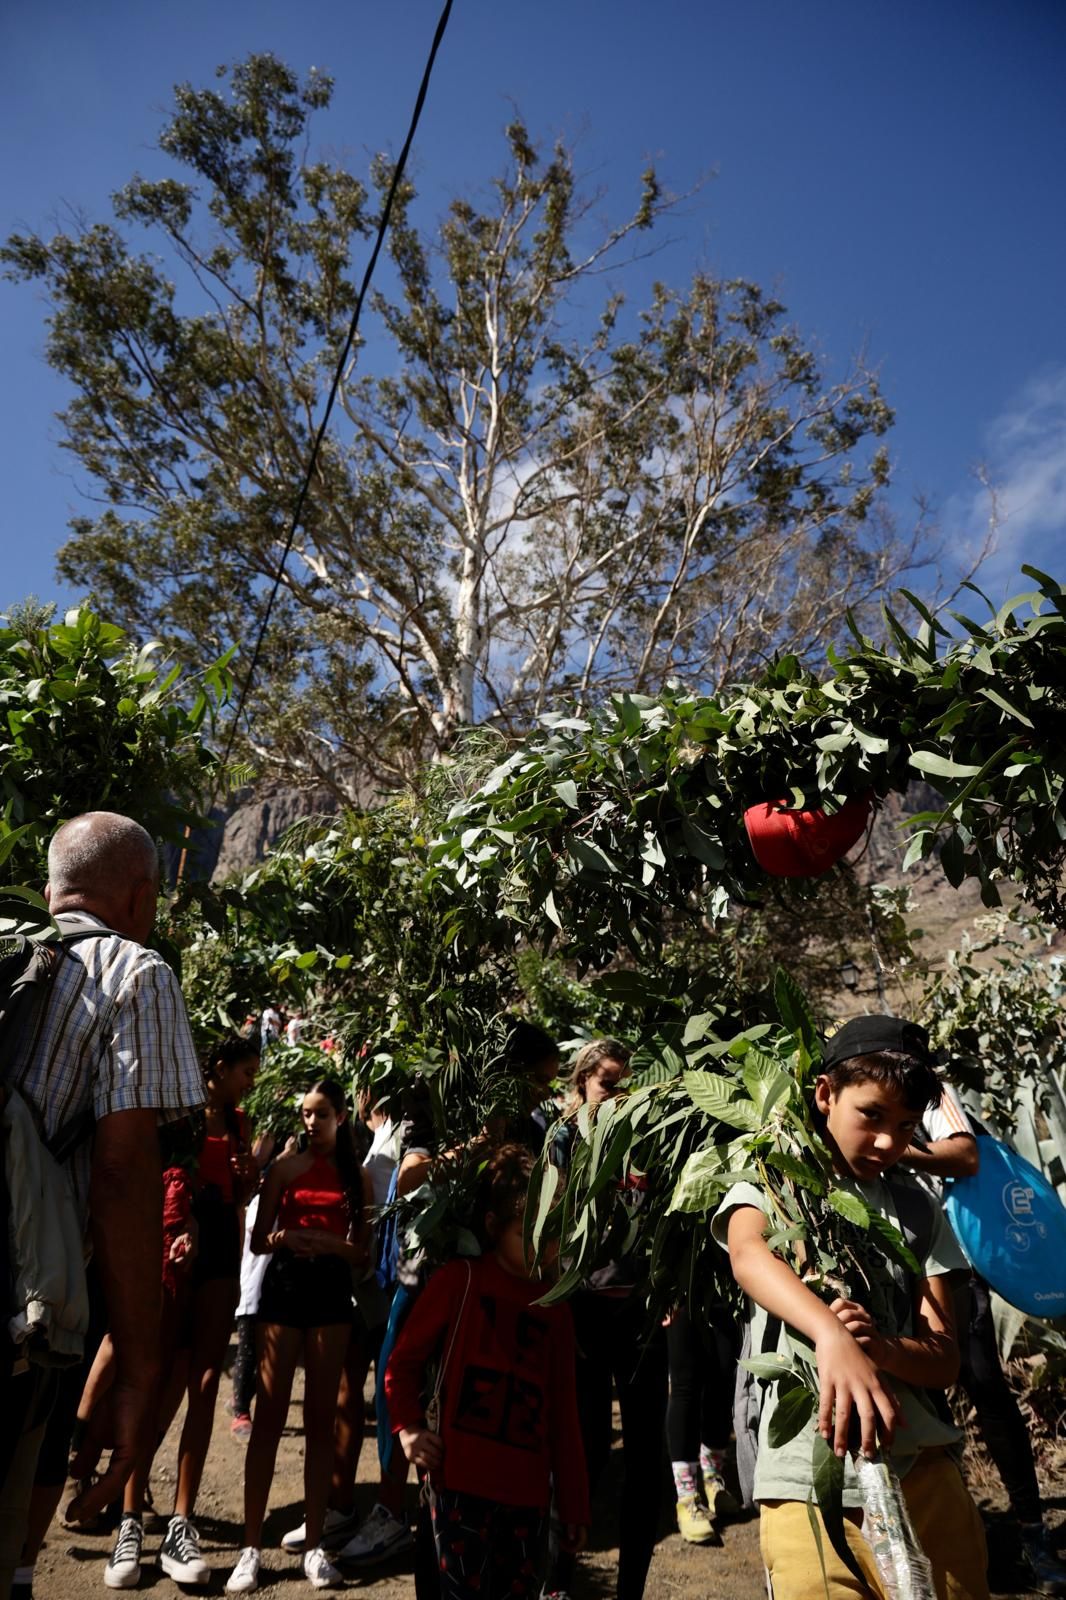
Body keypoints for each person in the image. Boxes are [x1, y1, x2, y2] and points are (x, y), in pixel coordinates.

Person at [714, 1014, 989, 1600]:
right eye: (872, 1115)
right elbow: (748, 1252)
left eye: (908, 1125)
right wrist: (831, 1336)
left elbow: (943, 1360)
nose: (891, 1142)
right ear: (825, 1093)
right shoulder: (778, 1176)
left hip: (923, 1472)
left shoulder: (917, 1209)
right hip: (806, 1485)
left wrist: (882, 1349)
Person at [0, 813, 204, 1600]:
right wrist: (139, 1362)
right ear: (141, 894)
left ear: (51, 887)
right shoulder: (133, 971)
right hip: (22, 1309)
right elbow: (123, 1174)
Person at [385, 1144, 589, 1600]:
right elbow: (403, 1362)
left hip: (527, 1497)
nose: (542, 1247)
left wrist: (573, 1503)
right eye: (527, 1233)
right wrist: (409, 1428)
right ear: (493, 1227)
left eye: (551, 1233)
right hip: (458, 1487)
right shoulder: (461, 1281)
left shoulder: (556, 1307)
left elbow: (563, 1413)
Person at [900, 1081, 1066, 1596]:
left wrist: (889, 1145)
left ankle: (1031, 1537)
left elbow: (965, 1153)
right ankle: (950, 1533)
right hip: (892, 1264)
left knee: (987, 1392)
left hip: (952, 1265)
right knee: (919, 1402)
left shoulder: (923, 1085)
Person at [105, 1038, 259, 1588]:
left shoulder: (239, 1123)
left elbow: (240, 1196)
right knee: (153, 1377)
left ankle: (181, 1521)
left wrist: (248, 1178)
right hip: (174, 1245)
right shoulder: (179, 1115)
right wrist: (177, 1225)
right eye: (246, 1071)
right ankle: (129, 1519)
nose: (251, 1081)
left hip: (218, 1246)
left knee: (207, 1380)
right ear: (216, 1070)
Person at [226, 1080, 373, 1595]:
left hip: (331, 1293)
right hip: (285, 1288)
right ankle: (250, 1548)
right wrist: (285, 1237)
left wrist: (333, 1243)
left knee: (319, 1422)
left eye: (323, 1113)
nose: (312, 1122)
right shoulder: (284, 1169)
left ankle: (314, 1545)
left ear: (339, 1118)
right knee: (268, 1418)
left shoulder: (356, 1178)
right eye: (307, 1114)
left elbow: (365, 1254)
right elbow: (259, 1240)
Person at [544, 1039, 667, 1600]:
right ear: (583, 1082)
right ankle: (557, 1580)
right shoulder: (564, 1141)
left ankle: (631, 1591)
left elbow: (671, 1219)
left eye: (625, 1085)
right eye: (607, 1083)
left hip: (641, 1316)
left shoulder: (650, 1143)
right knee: (585, 1449)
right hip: (583, 1312)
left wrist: (670, 1289)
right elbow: (547, 1225)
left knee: (646, 1458)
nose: (617, 1096)